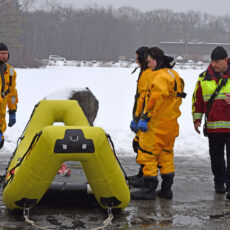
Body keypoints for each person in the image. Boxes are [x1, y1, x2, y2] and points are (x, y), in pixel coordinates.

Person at [131, 47, 186, 200]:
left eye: (149, 62)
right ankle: (166, 190)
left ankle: (148, 190)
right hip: (170, 126)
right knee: (166, 155)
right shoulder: (174, 75)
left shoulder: (159, 77)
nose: (148, 65)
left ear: (157, 60)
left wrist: (144, 117)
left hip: (155, 125)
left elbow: (153, 100)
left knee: (147, 154)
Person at [192, 46, 230, 199]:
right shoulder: (203, 78)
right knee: (216, 158)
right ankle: (219, 183)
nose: (213, 64)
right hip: (214, 127)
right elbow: (198, 100)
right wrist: (197, 118)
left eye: (217, 61)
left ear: (226, 60)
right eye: (212, 61)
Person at [128, 46, 152, 184]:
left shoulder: (149, 73)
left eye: (137, 58)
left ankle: (145, 177)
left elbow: (146, 97)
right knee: (139, 145)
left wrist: (142, 117)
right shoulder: (143, 71)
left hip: (145, 116)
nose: (136, 61)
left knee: (143, 147)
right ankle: (141, 174)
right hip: (139, 113)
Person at [0, 42, 18, 149]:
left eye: (6, 53)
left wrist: (12, 111)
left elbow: (12, 93)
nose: (4, 56)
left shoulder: (11, 71)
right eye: (2, 53)